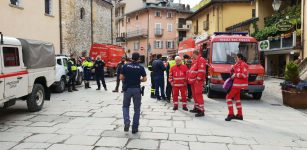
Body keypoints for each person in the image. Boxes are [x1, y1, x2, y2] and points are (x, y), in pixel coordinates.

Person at [120, 52, 147, 134]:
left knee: (125, 106)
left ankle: (127, 121)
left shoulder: (125, 66)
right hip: (136, 90)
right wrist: (140, 80)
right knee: (137, 109)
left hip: (127, 89)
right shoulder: (140, 67)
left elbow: (121, 77)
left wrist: (126, 78)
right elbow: (145, 79)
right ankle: (135, 128)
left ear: (131, 58)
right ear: (138, 58)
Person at [225, 53, 248, 121]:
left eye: (236, 58)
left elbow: (244, 75)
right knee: (237, 99)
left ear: (240, 58)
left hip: (238, 85)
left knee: (228, 97)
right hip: (236, 85)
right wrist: (232, 69)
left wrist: (235, 74)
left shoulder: (244, 64)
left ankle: (231, 114)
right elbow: (231, 71)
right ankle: (239, 115)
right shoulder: (237, 64)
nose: (235, 59)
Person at [188, 50, 207, 117]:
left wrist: (197, 79)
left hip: (197, 81)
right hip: (194, 81)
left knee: (198, 94)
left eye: (192, 54)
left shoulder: (201, 60)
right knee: (195, 95)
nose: (191, 55)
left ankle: (201, 110)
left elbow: (201, 71)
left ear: (194, 54)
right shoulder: (195, 60)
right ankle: (196, 108)